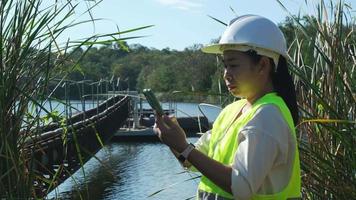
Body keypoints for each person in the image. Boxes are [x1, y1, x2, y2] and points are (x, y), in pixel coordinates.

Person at [154, 15, 301, 200]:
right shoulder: (232, 111)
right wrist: (175, 143)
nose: (226, 74)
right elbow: (190, 162)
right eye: (225, 66)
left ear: (263, 65)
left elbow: (241, 186)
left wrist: (184, 147)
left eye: (233, 65)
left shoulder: (268, 115)